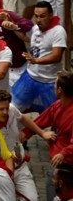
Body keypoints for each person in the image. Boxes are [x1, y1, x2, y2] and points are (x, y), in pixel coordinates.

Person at [0, 89, 52, 201]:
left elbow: (24, 119)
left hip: (20, 167)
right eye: (1, 109)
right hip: (0, 173)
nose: (5, 112)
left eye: (6, 108)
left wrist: (42, 133)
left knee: (32, 199)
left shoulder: (11, 109)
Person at [22, 70, 73, 201]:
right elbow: (41, 121)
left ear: (60, 90)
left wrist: (63, 153)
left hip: (64, 163)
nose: (53, 87)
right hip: (58, 160)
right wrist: (24, 134)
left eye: (55, 85)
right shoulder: (57, 105)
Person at [12, 1, 66, 113]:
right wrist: (12, 27)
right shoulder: (36, 28)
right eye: (36, 16)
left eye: (42, 16)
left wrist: (36, 61)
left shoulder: (58, 31)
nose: (38, 20)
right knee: (14, 107)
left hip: (49, 82)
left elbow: (57, 56)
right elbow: (26, 38)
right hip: (29, 77)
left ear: (51, 15)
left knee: (51, 114)